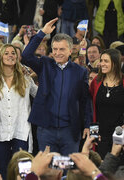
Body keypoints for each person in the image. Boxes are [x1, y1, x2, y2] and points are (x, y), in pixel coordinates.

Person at [22, 18, 91, 156]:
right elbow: (26, 56)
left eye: (62, 49)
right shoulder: (45, 64)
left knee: (68, 171)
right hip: (46, 129)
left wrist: (88, 124)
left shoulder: (80, 71)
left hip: (70, 131)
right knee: (48, 172)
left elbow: (85, 101)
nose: (57, 53)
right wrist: (41, 33)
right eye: (55, 49)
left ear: (70, 51)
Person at [0, 44, 38, 179]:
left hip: (20, 128)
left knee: (23, 167)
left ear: (17, 57)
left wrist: (36, 74)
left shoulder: (25, 78)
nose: (10, 55)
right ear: (1, 56)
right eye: (6, 53)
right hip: (0, 128)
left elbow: (38, 94)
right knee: (3, 167)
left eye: (13, 53)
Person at [90, 49, 124, 159]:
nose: (102, 64)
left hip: (120, 138)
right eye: (101, 60)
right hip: (101, 138)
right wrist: (93, 134)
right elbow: (91, 109)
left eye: (106, 61)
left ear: (115, 63)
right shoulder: (96, 82)